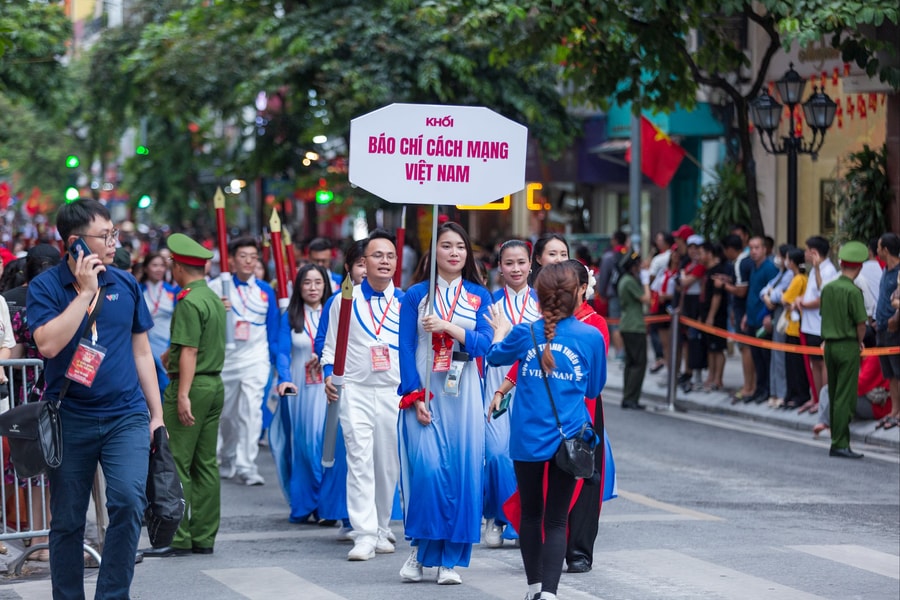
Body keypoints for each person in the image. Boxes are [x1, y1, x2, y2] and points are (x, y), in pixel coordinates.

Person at [27, 199, 163, 598]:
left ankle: (112, 595)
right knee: (68, 520)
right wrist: (85, 292)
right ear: (74, 243)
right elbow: (48, 345)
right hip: (70, 418)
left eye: (114, 234)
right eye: (104, 236)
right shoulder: (46, 287)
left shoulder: (125, 283)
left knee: (127, 503)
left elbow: (142, 353)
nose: (113, 243)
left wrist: (156, 414)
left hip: (126, 416)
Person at [485, 262, 606, 600]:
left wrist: (499, 332)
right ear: (576, 295)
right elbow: (594, 389)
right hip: (569, 439)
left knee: (531, 514)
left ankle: (534, 587)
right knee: (555, 520)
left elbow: (494, 357)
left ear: (539, 296)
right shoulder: (591, 336)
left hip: (527, 438)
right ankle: (550, 595)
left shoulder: (526, 333)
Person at [397, 222, 492, 585]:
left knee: (462, 474)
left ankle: (450, 560)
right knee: (428, 472)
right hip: (426, 394)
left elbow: (484, 345)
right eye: (447, 246)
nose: (454, 252)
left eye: (461, 247)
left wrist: (450, 327)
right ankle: (419, 553)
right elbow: (405, 347)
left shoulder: (479, 296)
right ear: (433, 252)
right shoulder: (416, 295)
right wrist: (414, 395)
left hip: (464, 394)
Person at [321, 229, 404, 559]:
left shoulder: (407, 302)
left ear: (396, 262)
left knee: (387, 464)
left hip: (393, 392)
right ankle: (364, 533)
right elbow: (330, 348)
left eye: (390, 256)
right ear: (362, 263)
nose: (384, 261)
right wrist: (330, 375)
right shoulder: (343, 300)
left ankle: (383, 527)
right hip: (354, 390)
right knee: (358, 460)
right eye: (376, 256)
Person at [143, 233, 225, 557]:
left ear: (178, 267)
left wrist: (182, 395)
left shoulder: (189, 300)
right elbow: (192, 346)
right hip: (214, 384)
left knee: (176, 461)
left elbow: (190, 351)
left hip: (192, 385)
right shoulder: (212, 298)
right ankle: (203, 537)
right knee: (206, 463)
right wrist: (169, 356)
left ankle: (176, 537)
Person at [270, 264, 347, 526]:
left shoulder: (334, 312)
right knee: (305, 447)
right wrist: (285, 380)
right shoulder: (290, 316)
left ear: (326, 286)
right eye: (307, 283)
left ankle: (327, 506)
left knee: (326, 445)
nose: (313, 288)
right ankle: (306, 503)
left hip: (329, 387)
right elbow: (282, 353)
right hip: (302, 389)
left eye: (318, 283)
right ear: (298, 287)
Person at [483, 239, 540, 548]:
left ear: (531, 265)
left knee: (527, 457)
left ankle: (521, 520)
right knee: (496, 454)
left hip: (532, 392)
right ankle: (497, 515)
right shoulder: (488, 304)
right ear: (500, 268)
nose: (515, 268)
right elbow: (485, 350)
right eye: (509, 263)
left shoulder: (543, 303)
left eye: (521, 262)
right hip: (496, 389)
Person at [210, 237, 279, 486]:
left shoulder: (265, 290)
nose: (249, 261)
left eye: (253, 256)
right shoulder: (217, 287)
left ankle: (247, 465)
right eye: (243, 256)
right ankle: (226, 455)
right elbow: (205, 321)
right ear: (231, 259)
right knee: (226, 414)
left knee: (251, 411)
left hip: (256, 358)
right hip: (226, 359)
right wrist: (217, 309)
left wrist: (274, 361)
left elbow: (273, 326)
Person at [820, 241, 869, 459]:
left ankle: (835, 440)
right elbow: (861, 324)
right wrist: (859, 342)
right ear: (859, 267)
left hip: (829, 345)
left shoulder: (828, 288)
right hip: (847, 345)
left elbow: (824, 315)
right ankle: (840, 442)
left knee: (833, 392)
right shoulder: (854, 291)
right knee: (845, 396)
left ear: (841, 265)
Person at [795, 236, 838, 412]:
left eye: (807, 250)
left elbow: (824, 297)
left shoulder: (828, 270)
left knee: (823, 363)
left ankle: (824, 402)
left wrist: (804, 304)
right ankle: (816, 398)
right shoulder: (814, 270)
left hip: (821, 324)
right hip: (810, 324)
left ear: (814, 252)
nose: (805, 254)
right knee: (815, 363)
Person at [741, 237, 778, 404]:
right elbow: (753, 293)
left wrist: (769, 315)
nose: (753, 251)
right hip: (752, 318)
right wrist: (746, 315)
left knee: (766, 358)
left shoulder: (770, 268)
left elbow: (773, 294)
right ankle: (759, 388)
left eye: (757, 247)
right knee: (756, 357)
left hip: (763, 320)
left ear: (764, 249)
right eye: (751, 248)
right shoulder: (753, 268)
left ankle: (768, 390)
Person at [760, 244, 794, 406]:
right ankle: (774, 392)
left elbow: (778, 296)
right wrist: (768, 297)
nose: (777, 259)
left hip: (784, 316)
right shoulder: (781, 273)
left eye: (780, 256)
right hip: (776, 314)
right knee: (775, 354)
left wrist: (769, 297)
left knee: (780, 355)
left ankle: (782, 393)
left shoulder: (790, 276)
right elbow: (766, 291)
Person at [617, 250, 650, 409]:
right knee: (638, 363)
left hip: (627, 324)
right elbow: (647, 299)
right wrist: (645, 282)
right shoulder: (629, 281)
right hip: (634, 325)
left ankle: (628, 397)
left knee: (631, 363)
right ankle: (631, 398)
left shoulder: (625, 280)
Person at [875, 233, 900, 430]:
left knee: (898, 371)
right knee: (890, 373)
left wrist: (895, 319)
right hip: (882, 327)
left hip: (894, 328)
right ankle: (894, 411)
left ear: (886, 250)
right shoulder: (885, 270)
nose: (876, 251)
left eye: (879, 247)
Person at [781, 248, 811, 410]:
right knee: (795, 364)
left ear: (791, 262)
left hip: (794, 328)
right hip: (797, 325)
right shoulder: (802, 277)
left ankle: (798, 395)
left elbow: (785, 299)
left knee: (794, 365)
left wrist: (779, 293)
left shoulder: (798, 279)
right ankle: (795, 394)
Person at [699, 242, 729, 392]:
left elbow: (717, 296)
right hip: (705, 314)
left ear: (709, 253)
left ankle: (718, 378)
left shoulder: (718, 271)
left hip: (717, 316)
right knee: (710, 348)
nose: (699, 256)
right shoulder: (707, 271)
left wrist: (711, 316)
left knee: (718, 348)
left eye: (701, 253)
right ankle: (710, 376)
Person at [140, 252, 180, 358]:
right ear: (145, 268)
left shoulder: (173, 291)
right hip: (145, 344)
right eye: (154, 265)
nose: (159, 269)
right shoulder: (139, 291)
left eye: (162, 266)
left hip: (167, 343)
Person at [596, 231, 627, 359]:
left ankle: (620, 352)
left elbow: (604, 277)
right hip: (629, 294)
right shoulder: (629, 254)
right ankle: (627, 350)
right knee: (625, 321)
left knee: (615, 322)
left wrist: (601, 293)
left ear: (615, 240)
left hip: (614, 294)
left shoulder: (609, 256)